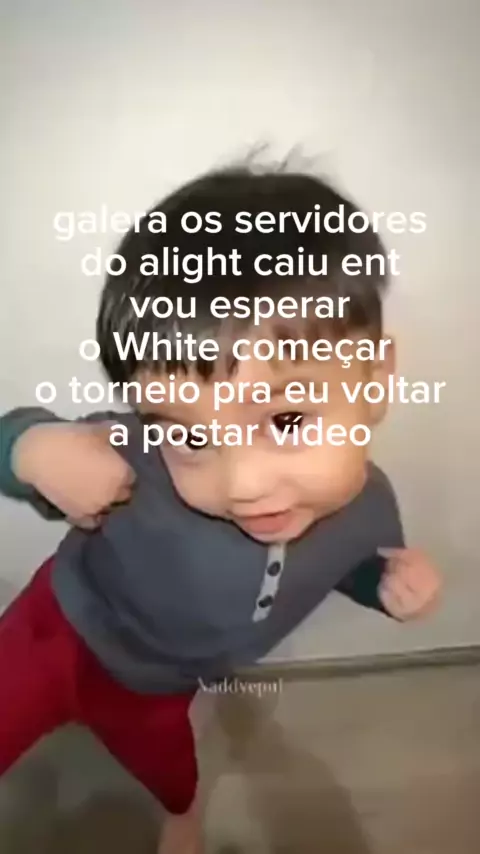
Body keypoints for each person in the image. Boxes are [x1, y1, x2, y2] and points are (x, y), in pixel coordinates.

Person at [0, 163, 441, 854]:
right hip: (52, 630)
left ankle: (183, 817)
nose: (242, 484)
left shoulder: (370, 509)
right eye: (190, 436)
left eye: (286, 420)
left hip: (159, 684)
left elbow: (346, 564)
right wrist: (31, 450)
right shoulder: (137, 453)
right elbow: (28, 445)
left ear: (377, 378)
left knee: (171, 774)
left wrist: (383, 584)